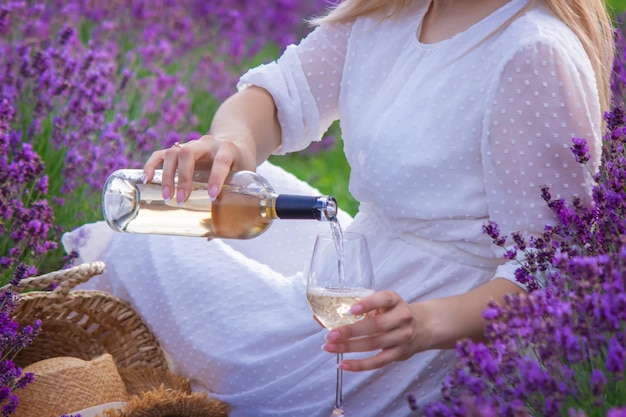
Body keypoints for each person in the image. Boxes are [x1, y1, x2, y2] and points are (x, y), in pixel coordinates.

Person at [63, 0, 614, 415]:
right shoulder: (393, 11)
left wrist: (423, 325)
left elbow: (551, 273)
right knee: (212, 197)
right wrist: (231, 143)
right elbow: (278, 98)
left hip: (416, 332)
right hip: (366, 263)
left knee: (145, 237)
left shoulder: (530, 51)